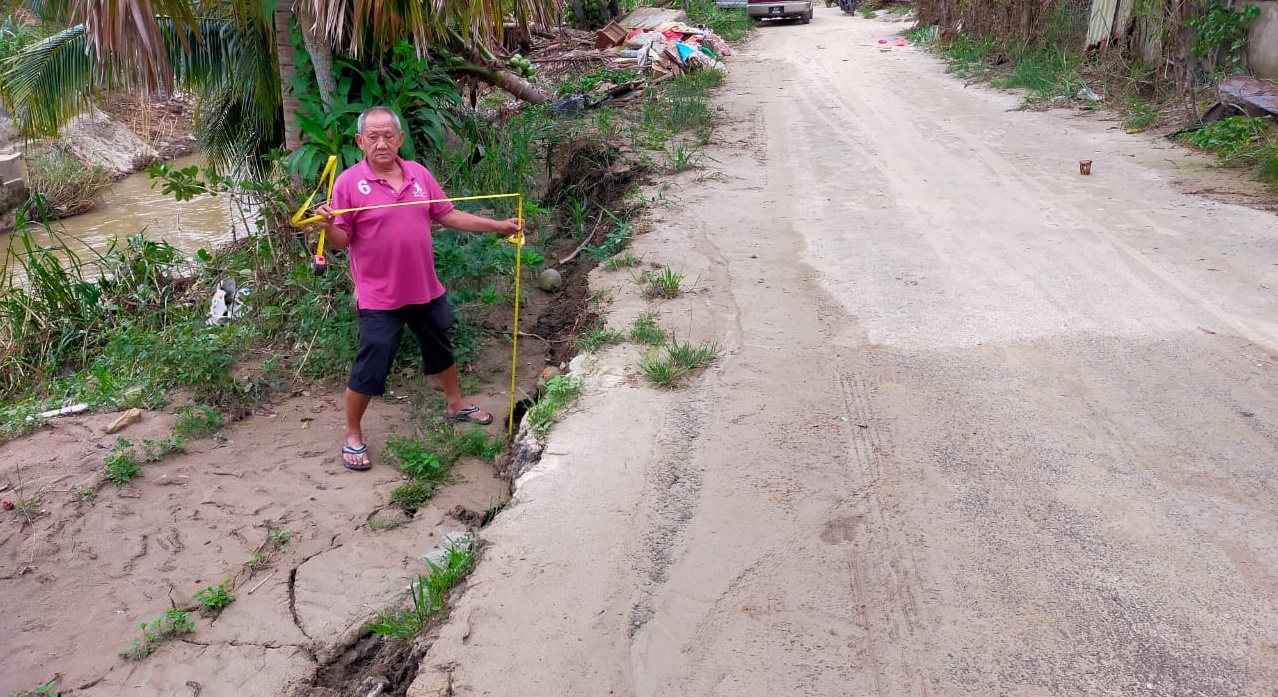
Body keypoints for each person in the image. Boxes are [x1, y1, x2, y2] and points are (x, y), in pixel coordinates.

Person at [314, 106, 521, 471]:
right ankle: (351, 433)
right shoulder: (348, 182)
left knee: (440, 343)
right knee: (373, 359)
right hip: (379, 295)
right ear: (360, 142)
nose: (381, 143)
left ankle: (455, 404)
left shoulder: (419, 175)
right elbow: (341, 240)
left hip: (425, 287)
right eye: (373, 137)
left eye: (388, 135)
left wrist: (497, 226)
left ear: (400, 139)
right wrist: (326, 225)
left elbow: (447, 214)